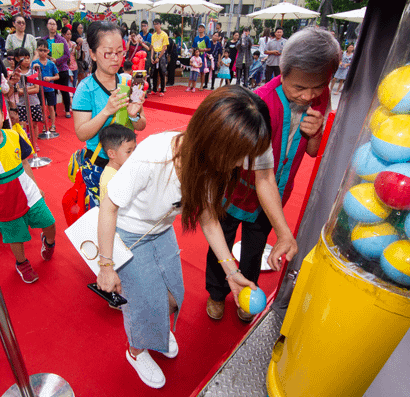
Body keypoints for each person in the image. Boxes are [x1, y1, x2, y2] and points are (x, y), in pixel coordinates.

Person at [96, 86, 296, 388]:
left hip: (160, 231)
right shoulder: (154, 154)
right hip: (129, 233)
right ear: (215, 138)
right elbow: (109, 205)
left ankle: (158, 333)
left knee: (174, 296)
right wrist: (106, 264)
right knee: (143, 304)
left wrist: (232, 272)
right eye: (239, 155)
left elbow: (208, 217)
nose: (242, 164)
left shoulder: (213, 165)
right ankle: (136, 351)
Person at [205, 27, 340, 322]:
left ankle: (246, 293)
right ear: (283, 71)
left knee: (254, 250)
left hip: (277, 192)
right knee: (222, 242)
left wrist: (315, 133)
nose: (308, 96)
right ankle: (216, 293)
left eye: (317, 86)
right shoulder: (260, 102)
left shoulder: (321, 95)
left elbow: (313, 151)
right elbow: (253, 171)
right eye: (299, 88)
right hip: (238, 190)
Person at [0, 89, 57, 284]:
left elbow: (24, 163)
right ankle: (21, 262)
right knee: (16, 236)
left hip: (29, 193)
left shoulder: (13, 136)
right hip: (4, 201)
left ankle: (48, 242)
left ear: (2, 113)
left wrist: (35, 186)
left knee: (49, 222)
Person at [72, 21, 146, 210]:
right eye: (108, 53)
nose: (115, 58)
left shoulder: (128, 81)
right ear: (93, 54)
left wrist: (135, 115)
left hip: (129, 162)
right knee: (104, 218)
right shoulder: (85, 89)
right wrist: (107, 110)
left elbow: (141, 125)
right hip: (100, 166)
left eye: (120, 52)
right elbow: (82, 133)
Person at [98, 123, 136, 200]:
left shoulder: (122, 168)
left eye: (134, 149)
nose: (134, 154)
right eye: (128, 151)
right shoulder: (111, 180)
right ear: (111, 154)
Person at [43, 18, 72, 118]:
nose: (52, 26)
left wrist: (57, 60)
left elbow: (67, 55)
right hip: (49, 70)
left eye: (54, 24)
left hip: (61, 69)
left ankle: (67, 110)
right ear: (47, 25)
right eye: (50, 24)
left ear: (56, 26)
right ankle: (53, 111)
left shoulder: (61, 39)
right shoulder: (44, 40)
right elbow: (40, 53)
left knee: (64, 90)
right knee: (52, 92)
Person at [32, 39, 60, 135]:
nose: (42, 53)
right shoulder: (34, 63)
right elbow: (30, 75)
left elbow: (57, 76)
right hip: (39, 89)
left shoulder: (51, 63)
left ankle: (52, 124)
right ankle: (45, 124)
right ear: (37, 50)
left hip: (50, 88)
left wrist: (50, 78)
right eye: (40, 50)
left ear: (48, 51)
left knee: (51, 107)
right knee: (42, 107)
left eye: (44, 50)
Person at [13, 48, 43, 131]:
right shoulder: (15, 73)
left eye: (28, 58)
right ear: (17, 59)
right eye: (24, 58)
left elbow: (36, 89)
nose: (26, 60)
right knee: (22, 127)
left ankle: (35, 143)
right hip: (21, 104)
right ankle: (25, 142)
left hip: (34, 102)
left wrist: (22, 91)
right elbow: (16, 91)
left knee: (34, 125)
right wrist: (26, 90)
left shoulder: (33, 72)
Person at [150, 18, 168, 96]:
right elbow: (152, 47)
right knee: (154, 73)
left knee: (162, 72)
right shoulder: (153, 36)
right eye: (154, 24)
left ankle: (162, 90)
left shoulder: (164, 35)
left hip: (161, 54)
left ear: (160, 25)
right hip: (155, 54)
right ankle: (154, 89)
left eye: (157, 24)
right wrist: (151, 57)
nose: (156, 26)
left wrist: (159, 57)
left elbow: (164, 47)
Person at [192, 24, 211, 89]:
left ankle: (201, 85)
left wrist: (202, 50)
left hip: (203, 56)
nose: (200, 29)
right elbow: (193, 47)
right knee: (194, 70)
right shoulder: (196, 38)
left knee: (202, 72)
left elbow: (209, 48)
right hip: (196, 56)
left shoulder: (206, 38)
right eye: (199, 27)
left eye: (202, 27)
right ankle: (193, 85)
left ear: (204, 29)